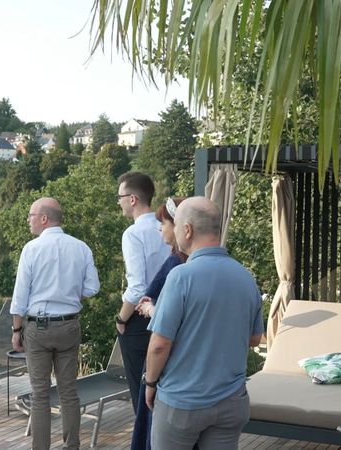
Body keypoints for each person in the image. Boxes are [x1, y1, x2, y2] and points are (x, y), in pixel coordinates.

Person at [144, 197, 264, 450]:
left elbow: (159, 344)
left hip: (182, 402)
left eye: (176, 225)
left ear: (187, 230)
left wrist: (151, 383)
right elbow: (254, 338)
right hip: (231, 401)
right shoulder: (245, 277)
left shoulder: (181, 276)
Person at [10, 197, 100, 450]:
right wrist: (70, 295)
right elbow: (92, 287)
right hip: (69, 326)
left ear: (44, 218)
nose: (28, 220)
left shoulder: (31, 249)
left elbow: (20, 296)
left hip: (38, 328)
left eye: (30, 215)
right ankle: (72, 446)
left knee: (40, 394)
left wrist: (16, 330)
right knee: (68, 391)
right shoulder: (81, 248)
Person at [130, 197, 189, 450]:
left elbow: (173, 321)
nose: (160, 229)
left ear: (179, 226)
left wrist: (149, 309)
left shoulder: (177, 264)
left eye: (163, 223)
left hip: (169, 362)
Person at [115, 172, 171, 412]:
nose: (118, 202)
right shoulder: (167, 227)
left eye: (120, 197)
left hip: (141, 316)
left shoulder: (133, 233)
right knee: (165, 385)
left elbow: (137, 287)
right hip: (171, 311)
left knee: (142, 392)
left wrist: (121, 319)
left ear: (133, 199)